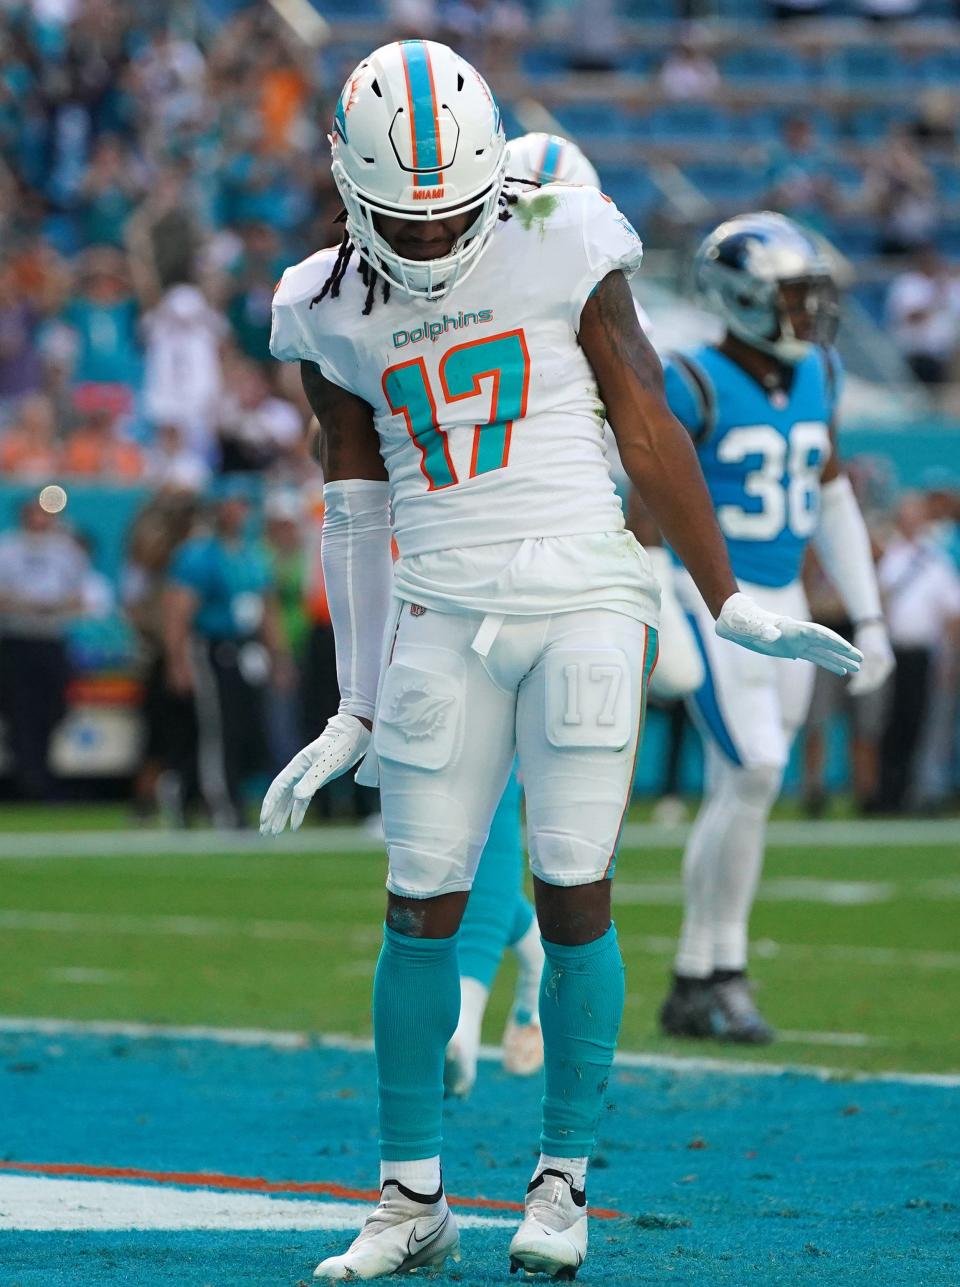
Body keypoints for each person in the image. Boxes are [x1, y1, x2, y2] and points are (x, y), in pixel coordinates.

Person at [260, 42, 861, 1282]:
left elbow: (643, 415)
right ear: (346, 181)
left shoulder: (563, 231)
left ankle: (562, 1187)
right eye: (400, 223)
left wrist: (725, 592)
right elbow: (356, 504)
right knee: (418, 898)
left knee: (571, 881)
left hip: (588, 586)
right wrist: (352, 700)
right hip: (436, 598)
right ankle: (410, 1196)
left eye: (450, 217)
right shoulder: (319, 301)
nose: (428, 245)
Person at [652, 213, 894, 1046]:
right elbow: (643, 515)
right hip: (712, 596)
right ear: (743, 300)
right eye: (791, 297)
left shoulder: (822, 371)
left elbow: (830, 494)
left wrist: (867, 612)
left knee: (745, 787)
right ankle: (718, 969)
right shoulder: (692, 381)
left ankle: (699, 974)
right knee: (753, 768)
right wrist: (660, 605)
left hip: (787, 595)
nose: (807, 313)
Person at [164, 477, 291, 827]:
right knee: (216, 729)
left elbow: (267, 609)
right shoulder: (199, 554)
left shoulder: (253, 554)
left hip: (244, 649)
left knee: (239, 728)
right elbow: (179, 610)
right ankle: (222, 803)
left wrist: (278, 657)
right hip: (211, 648)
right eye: (231, 504)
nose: (238, 512)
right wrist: (177, 660)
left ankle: (185, 790)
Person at [872, 492, 960, 813]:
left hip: (923, 653)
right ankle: (888, 794)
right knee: (890, 723)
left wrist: (949, 657)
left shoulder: (936, 560)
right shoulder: (890, 557)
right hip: (892, 653)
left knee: (923, 722)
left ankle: (921, 793)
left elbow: (951, 613)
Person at [0, 499, 90, 799]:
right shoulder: (7, 549)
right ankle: (27, 781)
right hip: (17, 638)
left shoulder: (66, 552)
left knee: (53, 709)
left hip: (51, 638)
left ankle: (42, 772)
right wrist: (29, 605)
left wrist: (51, 606)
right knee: (20, 712)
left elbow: (78, 597)